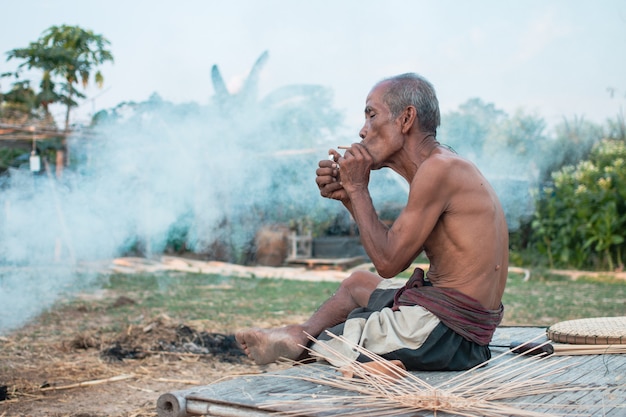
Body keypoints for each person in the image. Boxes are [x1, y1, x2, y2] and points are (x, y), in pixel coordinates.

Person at [236, 73, 508, 371]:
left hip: (449, 336)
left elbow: (389, 262)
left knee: (336, 339)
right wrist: (349, 198)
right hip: (455, 325)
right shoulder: (443, 165)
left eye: (371, 115)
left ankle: (302, 346)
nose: (362, 131)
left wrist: (357, 189)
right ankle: (297, 333)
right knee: (357, 284)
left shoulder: (437, 171)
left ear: (406, 119)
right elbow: (390, 250)